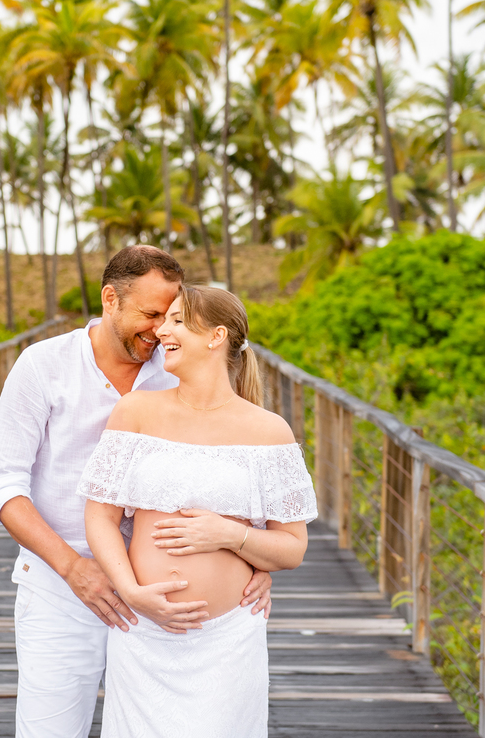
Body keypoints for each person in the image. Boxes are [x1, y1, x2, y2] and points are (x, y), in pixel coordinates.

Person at [0, 246, 273, 738]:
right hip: (61, 588)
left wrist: (255, 560)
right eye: (152, 314)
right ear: (110, 298)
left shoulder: (179, 366)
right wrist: (75, 569)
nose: (161, 330)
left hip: (159, 604)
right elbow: (3, 485)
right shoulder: (42, 365)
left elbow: (237, 462)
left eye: (171, 316)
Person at [79, 285, 317, 738]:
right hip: (143, 630)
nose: (161, 330)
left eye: (177, 321)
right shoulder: (136, 412)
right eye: (163, 319)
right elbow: (100, 518)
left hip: (229, 641)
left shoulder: (270, 432)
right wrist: (131, 592)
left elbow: (292, 549)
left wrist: (230, 536)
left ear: (216, 336)